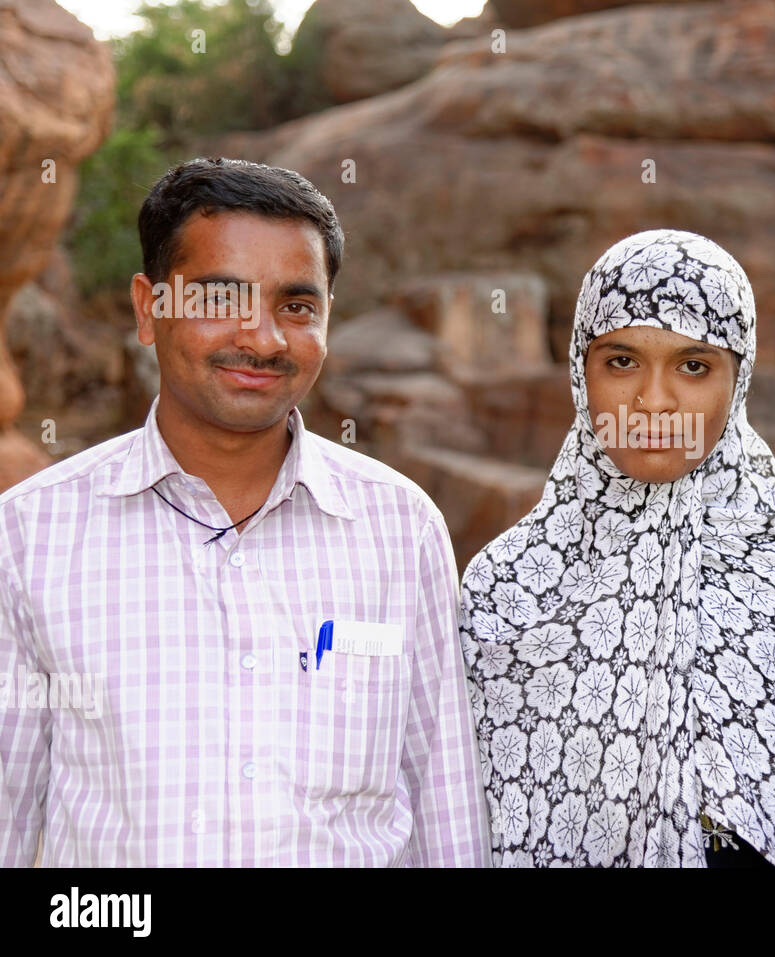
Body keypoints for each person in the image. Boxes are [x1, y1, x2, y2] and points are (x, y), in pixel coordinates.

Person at [0, 157, 489, 866]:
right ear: (149, 308)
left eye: (297, 306)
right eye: (219, 299)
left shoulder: (399, 529)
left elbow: (446, 816)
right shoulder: (28, 535)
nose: (262, 338)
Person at [458, 229, 775, 867]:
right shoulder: (508, 584)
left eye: (694, 366)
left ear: (739, 379)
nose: (654, 402)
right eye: (621, 361)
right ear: (581, 373)